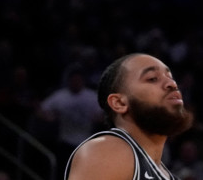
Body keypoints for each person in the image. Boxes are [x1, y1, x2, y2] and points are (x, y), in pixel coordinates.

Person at [64, 53, 195, 180]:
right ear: (119, 103)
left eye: (170, 77)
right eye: (152, 78)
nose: (172, 84)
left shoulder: (166, 173)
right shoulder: (108, 151)